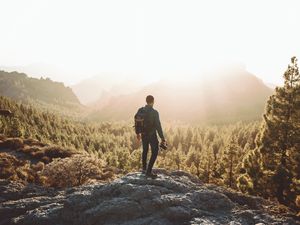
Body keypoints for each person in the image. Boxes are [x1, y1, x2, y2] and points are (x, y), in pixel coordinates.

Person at [136, 95, 166, 179]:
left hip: (143, 134)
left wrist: (137, 133)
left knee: (145, 150)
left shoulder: (140, 110)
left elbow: (137, 122)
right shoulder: (154, 112)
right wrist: (162, 138)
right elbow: (158, 126)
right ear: (153, 102)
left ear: (146, 101)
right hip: (152, 135)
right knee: (155, 152)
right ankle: (148, 171)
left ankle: (144, 169)